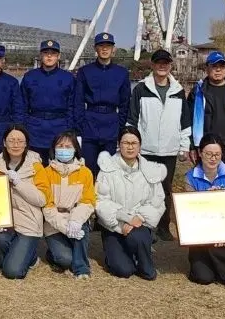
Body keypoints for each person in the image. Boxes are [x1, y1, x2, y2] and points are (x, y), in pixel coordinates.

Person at [125, 49, 191, 241]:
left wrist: (184, 146)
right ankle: (145, 226)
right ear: (153, 65)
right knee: (144, 189)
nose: (162, 66)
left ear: (170, 66)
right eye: (158, 63)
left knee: (165, 189)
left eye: (165, 63)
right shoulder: (141, 89)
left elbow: (184, 121)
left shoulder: (178, 91)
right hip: (146, 149)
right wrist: (131, 144)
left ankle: (163, 226)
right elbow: (132, 119)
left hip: (169, 150)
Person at [95, 126, 166, 280]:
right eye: (125, 143)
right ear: (119, 145)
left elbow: (158, 202)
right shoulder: (107, 169)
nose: (130, 147)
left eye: (134, 143)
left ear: (140, 145)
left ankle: (144, 260)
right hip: (114, 225)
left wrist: (138, 218)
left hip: (139, 224)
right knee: (123, 270)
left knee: (146, 267)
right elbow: (100, 201)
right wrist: (125, 219)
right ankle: (117, 254)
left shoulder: (150, 170)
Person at [0, 125, 46, 279]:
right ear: (4, 143)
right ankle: (22, 255)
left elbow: (42, 199)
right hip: (5, 222)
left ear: (26, 144)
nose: (16, 145)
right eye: (11, 140)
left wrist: (19, 183)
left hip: (28, 222)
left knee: (12, 272)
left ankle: (29, 257)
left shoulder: (36, 167)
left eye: (20, 141)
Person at [183, 134, 225, 288]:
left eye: (217, 154)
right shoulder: (190, 177)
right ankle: (206, 260)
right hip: (200, 231)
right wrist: (206, 200)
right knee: (204, 277)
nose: (213, 158)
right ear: (200, 153)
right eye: (208, 154)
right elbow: (189, 211)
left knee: (218, 249)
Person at [37, 131, 95, 279]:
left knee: (81, 230)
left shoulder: (85, 173)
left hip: (76, 220)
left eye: (68, 146)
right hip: (54, 223)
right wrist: (64, 227)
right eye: (60, 146)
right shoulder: (46, 172)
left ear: (75, 149)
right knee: (65, 260)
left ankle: (82, 269)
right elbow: (47, 206)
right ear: (54, 149)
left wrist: (75, 221)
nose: (64, 149)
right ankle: (54, 254)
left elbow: (88, 201)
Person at [73, 32, 131, 177]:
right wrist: (80, 126)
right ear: (95, 48)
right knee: (88, 169)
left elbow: (125, 103)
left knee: (109, 171)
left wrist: (120, 126)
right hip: (90, 122)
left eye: (108, 46)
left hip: (111, 122)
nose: (105, 49)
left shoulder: (122, 73)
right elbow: (78, 101)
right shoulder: (85, 71)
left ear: (113, 49)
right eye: (101, 46)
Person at [21, 40, 76, 162]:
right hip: (35, 130)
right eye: (46, 53)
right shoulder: (29, 77)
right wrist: (24, 128)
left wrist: (70, 130)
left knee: (59, 168)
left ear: (59, 56)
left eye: (53, 53)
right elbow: (23, 106)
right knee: (35, 167)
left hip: (60, 130)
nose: (49, 56)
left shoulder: (68, 78)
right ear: (41, 55)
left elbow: (72, 106)